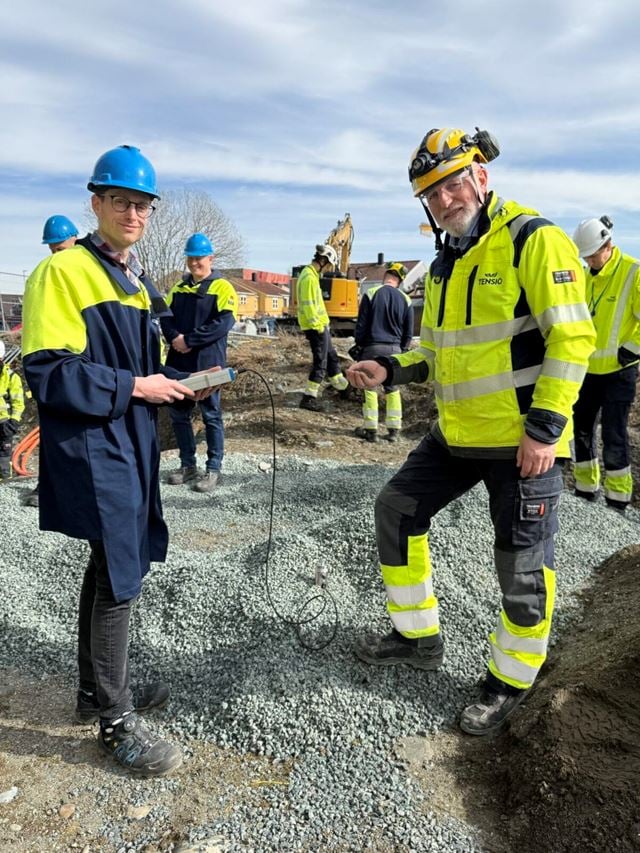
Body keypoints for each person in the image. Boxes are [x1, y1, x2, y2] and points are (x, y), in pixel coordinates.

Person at [347, 126, 596, 736]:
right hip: (456, 436)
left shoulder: (533, 241)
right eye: (432, 194)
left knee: (521, 566)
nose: (445, 200)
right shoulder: (442, 266)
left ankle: (510, 679)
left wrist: (543, 430)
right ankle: (417, 637)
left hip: (522, 444)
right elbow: (435, 353)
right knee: (397, 510)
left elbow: (574, 338)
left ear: (481, 177)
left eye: (454, 184)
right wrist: (390, 368)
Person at [22, 144, 209, 776]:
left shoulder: (132, 280)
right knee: (120, 576)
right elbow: (49, 372)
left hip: (130, 440)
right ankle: (116, 721)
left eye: (141, 204)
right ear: (95, 203)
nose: (132, 213)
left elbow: (143, 364)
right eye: (120, 201)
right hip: (95, 445)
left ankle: (93, 690)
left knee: (109, 565)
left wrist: (181, 381)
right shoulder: (63, 272)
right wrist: (139, 387)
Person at [571, 216, 640, 512]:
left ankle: (618, 499)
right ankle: (586, 490)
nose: (589, 261)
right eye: (585, 256)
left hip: (619, 372)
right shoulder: (585, 277)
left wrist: (633, 349)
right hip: (586, 372)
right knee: (581, 430)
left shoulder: (633, 272)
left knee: (614, 434)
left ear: (608, 245)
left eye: (592, 255)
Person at [161, 233, 238, 492]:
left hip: (208, 362)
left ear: (210, 258)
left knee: (211, 415)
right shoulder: (178, 288)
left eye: (199, 259)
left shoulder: (222, 288)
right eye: (190, 258)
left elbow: (223, 324)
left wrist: (189, 340)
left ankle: (213, 469)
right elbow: (166, 318)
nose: (194, 264)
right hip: (179, 363)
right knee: (179, 415)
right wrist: (174, 338)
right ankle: (187, 465)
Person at [25, 217, 80, 508]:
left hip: (78, 364)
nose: (57, 254)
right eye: (53, 249)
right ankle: (45, 487)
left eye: (61, 247)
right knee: (54, 430)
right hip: (53, 363)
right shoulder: (46, 274)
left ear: (74, 238)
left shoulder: (88, 268)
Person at [352, 262, 414, 443]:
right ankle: (394, 430)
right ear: (400, 280)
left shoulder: (371, 294)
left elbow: (361, 325)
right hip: (394, 349)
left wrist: (360, 346)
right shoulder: (406, 299)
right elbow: (408, 333)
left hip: (372, 347)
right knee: (393, 389)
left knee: (370, 387)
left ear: (386, 275)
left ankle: (371, 430)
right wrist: (401, 351)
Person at [297, 244, 350, 411]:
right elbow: (309, 306)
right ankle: (309, 398)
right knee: (321, 362)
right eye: (328, 265)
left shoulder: (311, 275)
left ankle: (343, 387)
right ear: (323, 260)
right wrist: (318, 327)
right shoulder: (309, 278)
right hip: (316, 327)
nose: (328, 269)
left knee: (332, 357)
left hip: (320, 326)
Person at [0, 339, 25, 479]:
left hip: (4, 424)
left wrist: (13, 422)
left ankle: (5, 485)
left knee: (3, 457)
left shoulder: (11, 377)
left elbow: (18, 403)